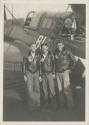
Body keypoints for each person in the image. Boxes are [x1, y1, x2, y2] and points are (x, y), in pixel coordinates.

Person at [54, 41, 76, 108]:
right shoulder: (56, 52)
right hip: (58, 73)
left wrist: (70, 69)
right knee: (60, 89)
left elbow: (74, 61)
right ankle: (62, 104)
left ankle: (70, 105)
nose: (59, 46)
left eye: (60, 45)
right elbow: (55, 62)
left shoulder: (68, 52)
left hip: (65, 72)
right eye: (58, 45)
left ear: (63, 45)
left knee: (67, 89)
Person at [24, 43, 40, 111]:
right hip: (29, 73)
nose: (33, 47)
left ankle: (38, 104)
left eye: (35, 46)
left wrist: (40, 75)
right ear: (30, 47)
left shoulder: (38, 56)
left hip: (36, 73)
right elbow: (24, 66)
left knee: (37, 89)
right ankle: (31, 106)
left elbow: (40, 66)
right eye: (32, 46)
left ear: (36, 48)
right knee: (30, 89)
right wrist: (24, 75)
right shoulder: (26, 56)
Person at [40, 43, 56, 109]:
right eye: (43, 48)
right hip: (43, 74)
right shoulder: (40, 56)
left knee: (52, 89)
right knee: (44, 89)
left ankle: (53, 104)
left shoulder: (51, 55)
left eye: (45, 48)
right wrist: (40, 75)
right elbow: (40, 67)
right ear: (41, 49)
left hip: (50, 74)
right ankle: (46, 104)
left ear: (47, 48)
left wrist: (53, 73)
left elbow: (54, 64)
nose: (44, 49)